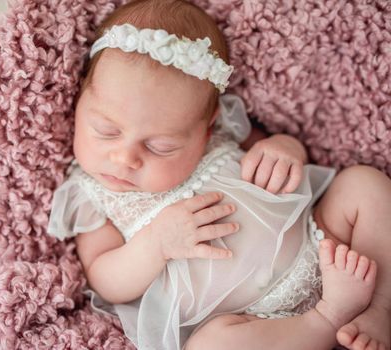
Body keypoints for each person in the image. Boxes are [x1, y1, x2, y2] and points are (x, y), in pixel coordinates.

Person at [47, 1, 391, 349]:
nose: (125, 158)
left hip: (321, 241)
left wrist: (285, 149)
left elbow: (273, 150)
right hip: (250, 321)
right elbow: (105, 278)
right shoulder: (89, 192)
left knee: (364, 185)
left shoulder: (225, 132)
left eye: (161, 147)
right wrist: (157, 244)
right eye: (105, 131)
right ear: (78, 106)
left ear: (206, 131)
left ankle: (378, 308)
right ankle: (328, 318)